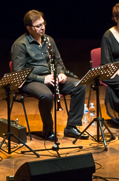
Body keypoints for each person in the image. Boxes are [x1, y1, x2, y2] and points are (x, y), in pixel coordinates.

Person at [11, 10, 86, 140]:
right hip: (30, 81)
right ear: (29, 28)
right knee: (46, 95)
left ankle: (71, 127)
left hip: (51, 78)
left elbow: (58, 61)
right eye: (38, 26)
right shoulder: (20, 44)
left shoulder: (49, 40)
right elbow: (19, 73)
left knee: (79, 86)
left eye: (43, 23)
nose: (42, 28)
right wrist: (42, 79)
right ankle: (48, 130)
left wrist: (61, 73)